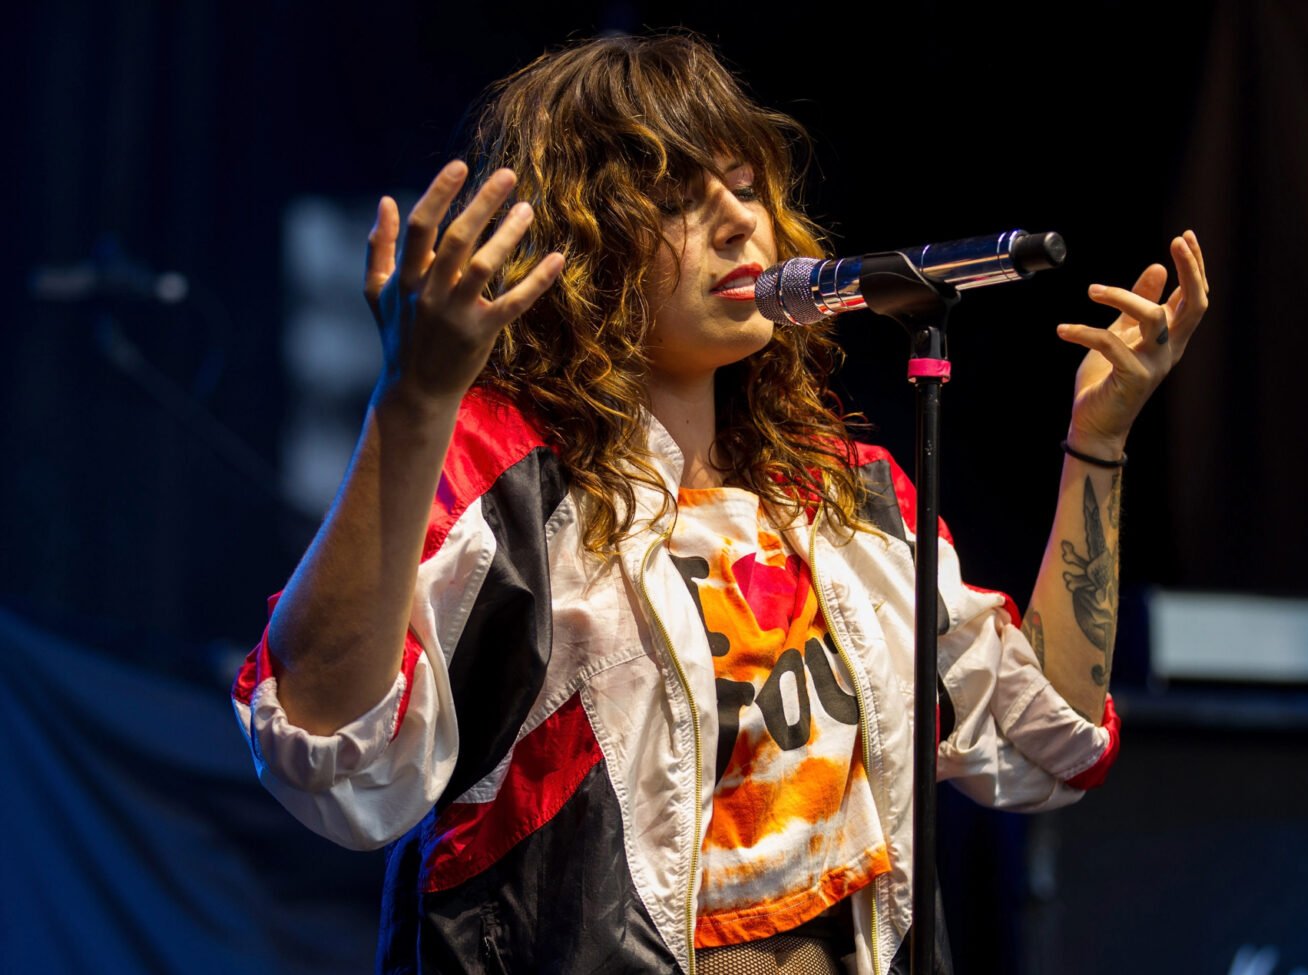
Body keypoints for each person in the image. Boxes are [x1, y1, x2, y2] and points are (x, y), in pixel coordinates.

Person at [231, 32, 1208, 975]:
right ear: (582, 247)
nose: (741, 223)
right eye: (678, 201)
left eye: (745, 189)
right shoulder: (502, 476)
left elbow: (1048, 742)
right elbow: (328, 751)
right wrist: (411, 403)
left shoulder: (845, 494)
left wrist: (1098, 443)